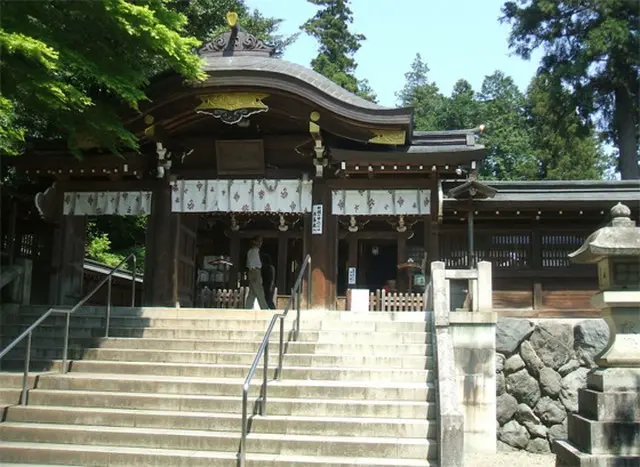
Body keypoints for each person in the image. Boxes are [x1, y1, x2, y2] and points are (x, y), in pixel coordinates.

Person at [245, 236, 269, 309]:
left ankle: (248, 308)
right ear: (255, 242)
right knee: (259, 291)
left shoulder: (252, 251)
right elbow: (252, 263)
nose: (261, 243)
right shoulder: (254, 251)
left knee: (252, 293)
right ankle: (264, 308)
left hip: (253, 271)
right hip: (255, 271)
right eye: (259, 241)